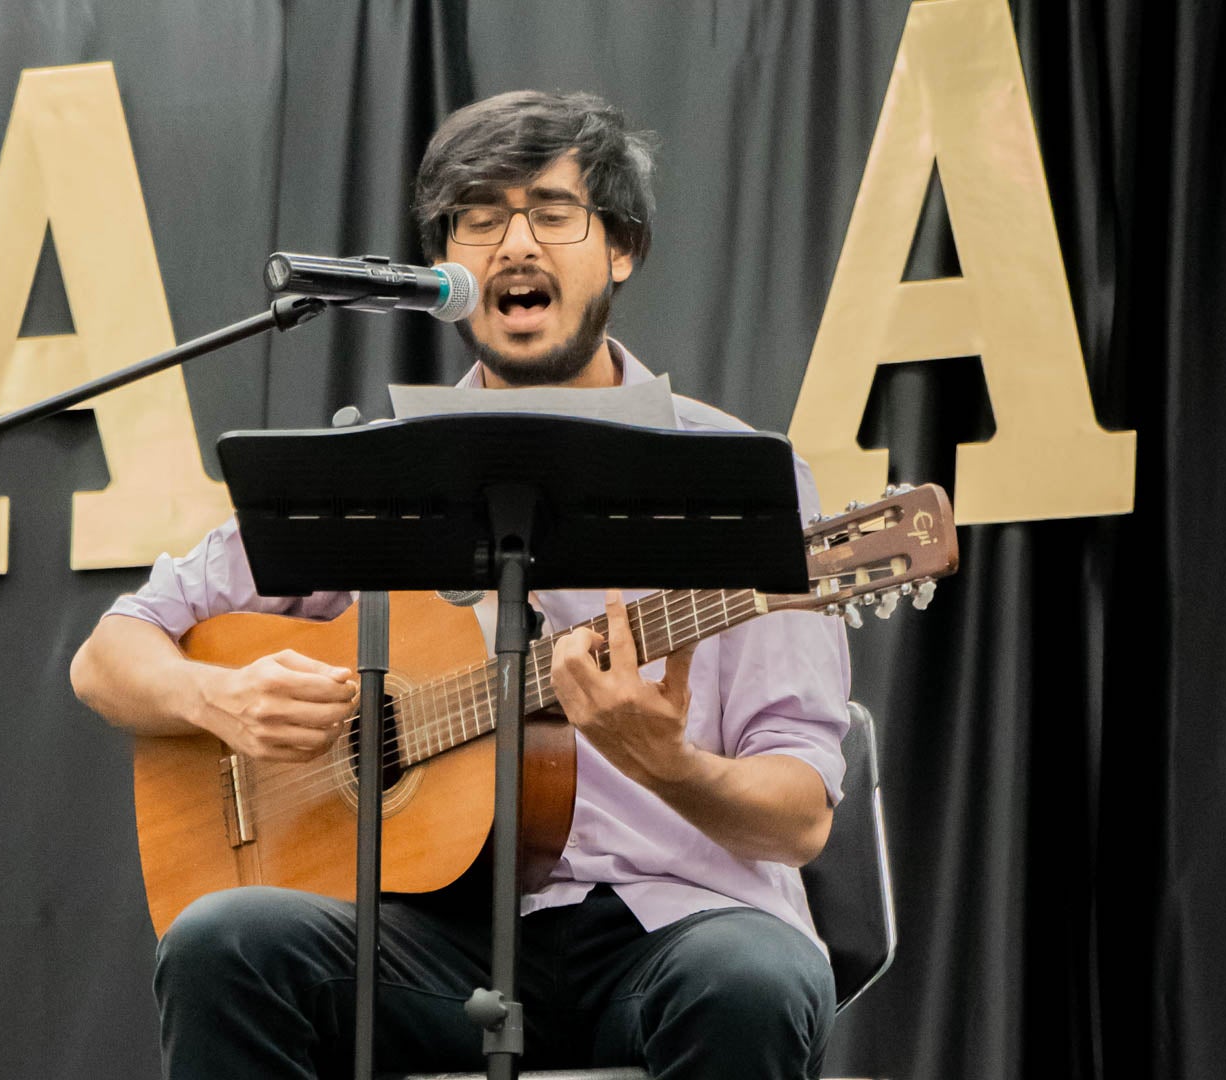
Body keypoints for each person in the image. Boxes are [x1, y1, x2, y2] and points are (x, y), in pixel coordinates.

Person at [71, 90, 851, 1079]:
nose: (513, 245)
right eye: (478, 218)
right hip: (430, 946)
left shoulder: (742, 477)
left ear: (622, 250)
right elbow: (111, 655)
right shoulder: (372, 476)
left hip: (673, 933)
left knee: (753, 980)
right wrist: (215, 695)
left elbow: (800, 815)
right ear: (443, 269)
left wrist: (668, 763)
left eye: (552, 213)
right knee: (225, 939)